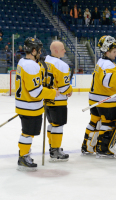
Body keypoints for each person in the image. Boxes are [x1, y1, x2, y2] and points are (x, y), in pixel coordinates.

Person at [81, 36, 116, 157]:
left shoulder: (100, 62)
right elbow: (107, 82)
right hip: (105, 100)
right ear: (107, 51)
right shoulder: (109, 65)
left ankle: (87, 147)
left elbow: (103, 80)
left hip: (94, 99)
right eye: (114, 51)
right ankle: (103, 149)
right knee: (108, 123)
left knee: (94, 122)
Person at [16, 37, 59, 171]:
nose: (40, 53)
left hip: (25, 104)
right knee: (27, 133)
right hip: (29, 106)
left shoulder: (22, 62)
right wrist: (52, 93)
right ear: (33, 51)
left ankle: (24, 154)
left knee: (28, 132)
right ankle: (23, 157)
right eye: (39, 50)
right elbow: (35, 92)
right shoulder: (31, 65)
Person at [45, 41, 73, 162]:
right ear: (56, 51)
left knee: (52, 123)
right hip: (58, 101)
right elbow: (64, 88)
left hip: (46, 99)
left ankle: (52, 147)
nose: (65, 50)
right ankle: (55, 150)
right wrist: (70, 89)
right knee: (58, 125)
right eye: (63, 49)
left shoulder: (44, 61)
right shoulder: (62, 65)